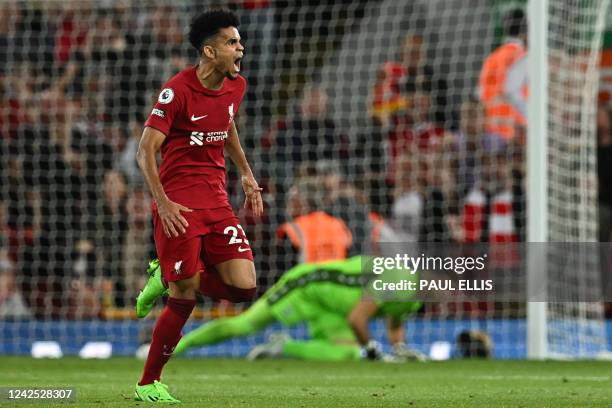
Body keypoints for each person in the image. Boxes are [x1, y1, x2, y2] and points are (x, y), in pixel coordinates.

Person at [134, 9, 263, 403]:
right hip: (179, 206)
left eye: (239, 41)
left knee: (245, 288)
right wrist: (163, 202)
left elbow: (226, 123)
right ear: (209, 51)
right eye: (231, 42)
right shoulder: (176, 91)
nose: (240, 47)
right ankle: (147, 384)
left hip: (217, 201)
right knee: (185, 296)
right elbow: (145, 152)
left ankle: (168, 275)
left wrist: (245, 172)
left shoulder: (235, 86)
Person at [138, 256, 422, 362]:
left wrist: (399, 350)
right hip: (306, 285)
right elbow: (358, 318)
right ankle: (174, 347)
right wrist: (374, 351)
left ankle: (282, 348)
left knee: (347, 352)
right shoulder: (398, 279)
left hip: (330, 308)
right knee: (245, 325)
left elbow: (394, 322)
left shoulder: (415, 295)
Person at [478, 8, 528, 144]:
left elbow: (480, 96)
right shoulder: (525, 58)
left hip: (492, 133)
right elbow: (514, 92)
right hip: (519, 136)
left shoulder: (492, 59)